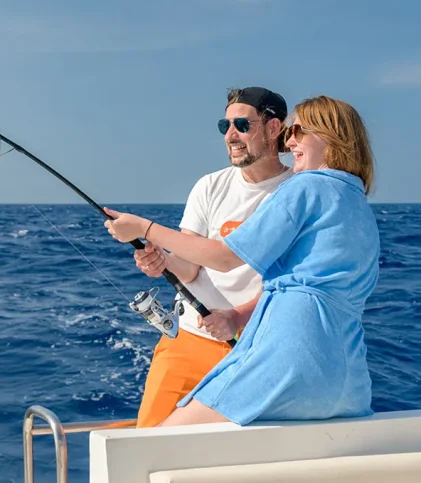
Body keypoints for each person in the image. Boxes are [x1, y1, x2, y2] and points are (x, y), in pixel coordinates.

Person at [106, 95, 379, 427]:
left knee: (153, 444)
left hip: (285, 355)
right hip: (347, 374)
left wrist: (143, 227)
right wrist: (162, 259)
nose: (289, 140)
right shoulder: (358, 203)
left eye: (297, 130)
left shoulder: (304, 186)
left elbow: (225, 258)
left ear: (331, 136)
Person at [132, 87, 293, 428]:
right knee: (143, 440)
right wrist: (163, 260)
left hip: (254, 349)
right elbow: (189, 267)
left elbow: (292, 282)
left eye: (241, 125)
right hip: (189, 339)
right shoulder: (209, 186)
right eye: (225, 126)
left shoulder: (298, 191)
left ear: (274, 128)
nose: (230, 135)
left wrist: (236, 318)